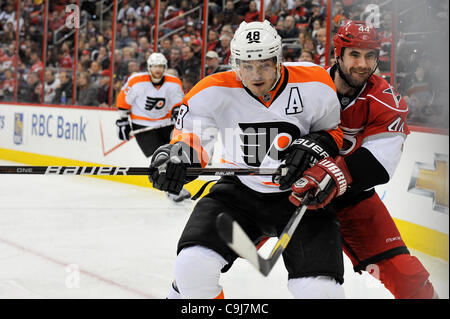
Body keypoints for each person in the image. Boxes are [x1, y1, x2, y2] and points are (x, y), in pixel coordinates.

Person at [149, 20, 346, 299]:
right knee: (192, 268)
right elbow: (192, 137)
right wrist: (178, 158)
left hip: (302, 198)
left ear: (278, 60)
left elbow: (334, 132)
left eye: (264, 64)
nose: (256, 75)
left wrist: (316, 143)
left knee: (321, 292)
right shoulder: (213, 89)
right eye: (247, 65)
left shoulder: (314, 82)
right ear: (235, 63)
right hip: (238, 194)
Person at [289, 20, 438, 299]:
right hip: (295, 194)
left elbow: (379, 165)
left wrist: (331, 172)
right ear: (337, 54)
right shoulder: (305, 86)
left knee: (408, 279)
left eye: (370, 56)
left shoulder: (385, 99)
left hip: (352, 197)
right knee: (206, 253)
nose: (363, 64)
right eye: (354, 54)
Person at [115, 52, 190, 202]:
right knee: (161, 157)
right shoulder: (136, 81)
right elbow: (123, 101)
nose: (158, 69)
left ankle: (175, 186)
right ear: (149, 67)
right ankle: (171, 189)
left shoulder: (174, 83)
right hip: (142, 125)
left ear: (165, 68)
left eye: (161, 66)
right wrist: (122, 121)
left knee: (174, 153)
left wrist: (176, 112)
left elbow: (177, 102)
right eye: (155, 66)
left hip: (165, 123)